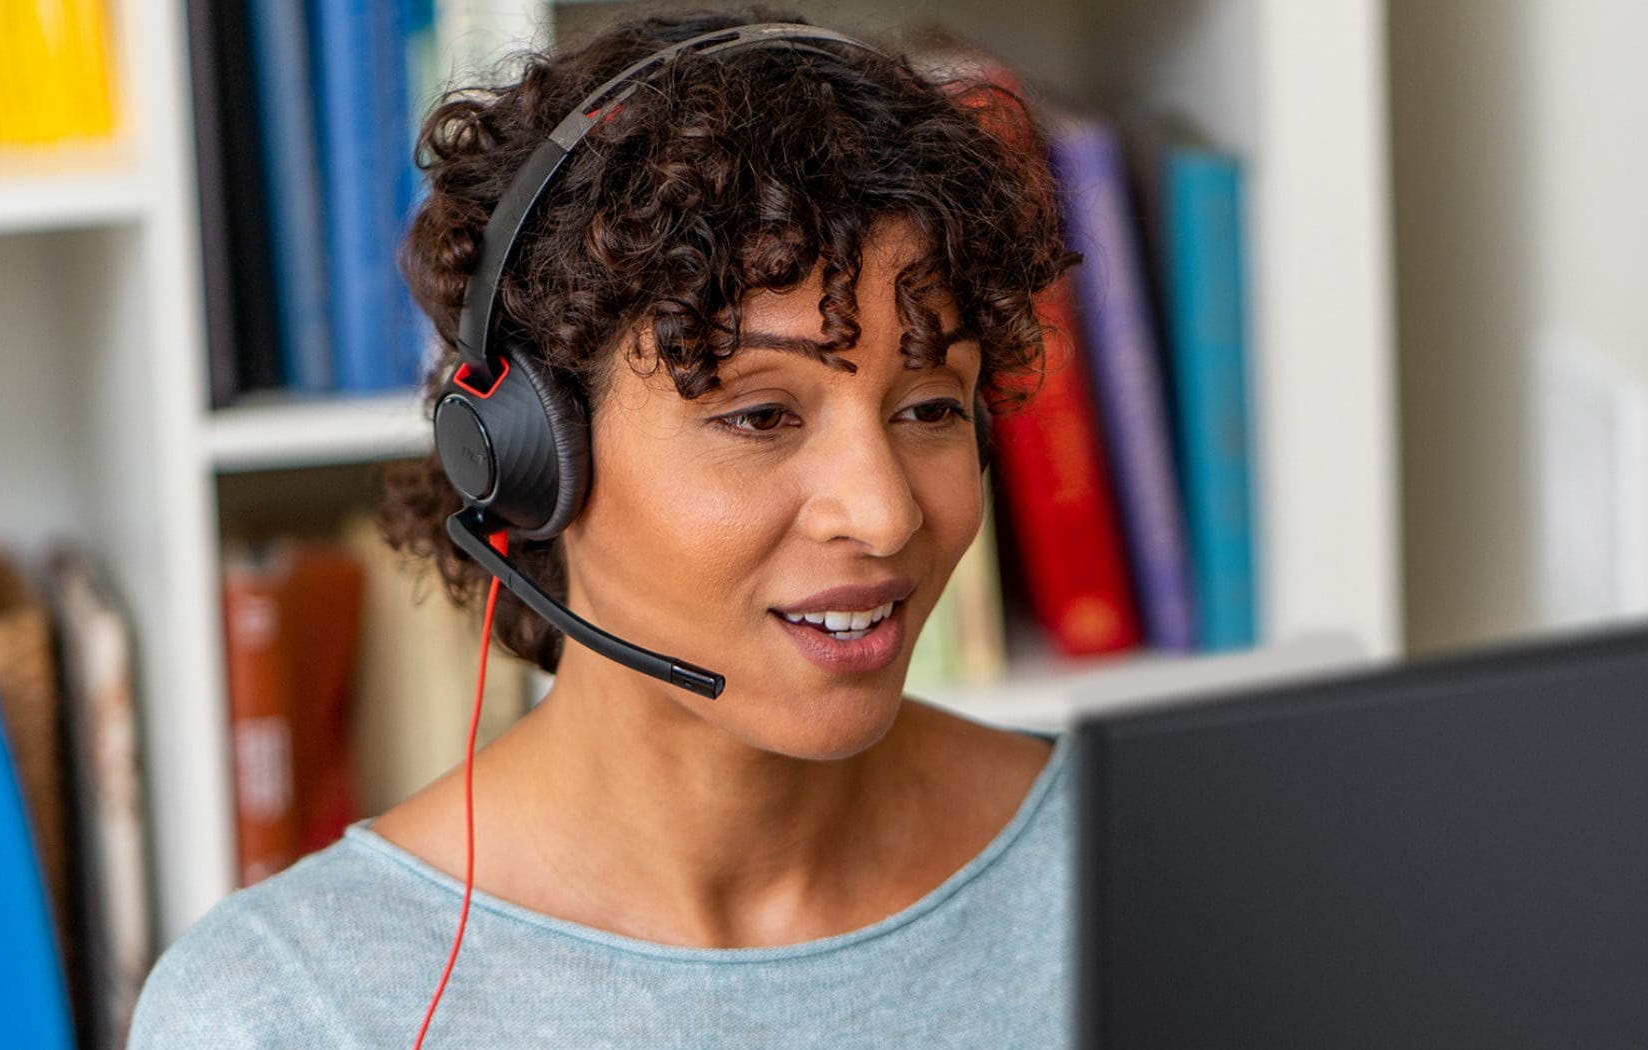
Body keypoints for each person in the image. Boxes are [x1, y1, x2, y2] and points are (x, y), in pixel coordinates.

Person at [130, 8, 1081, 1046]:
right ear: (531, 457)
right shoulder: (281, 1008)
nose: (885, 512)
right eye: (759, 415)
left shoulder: (1137, 861)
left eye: (929, 408)